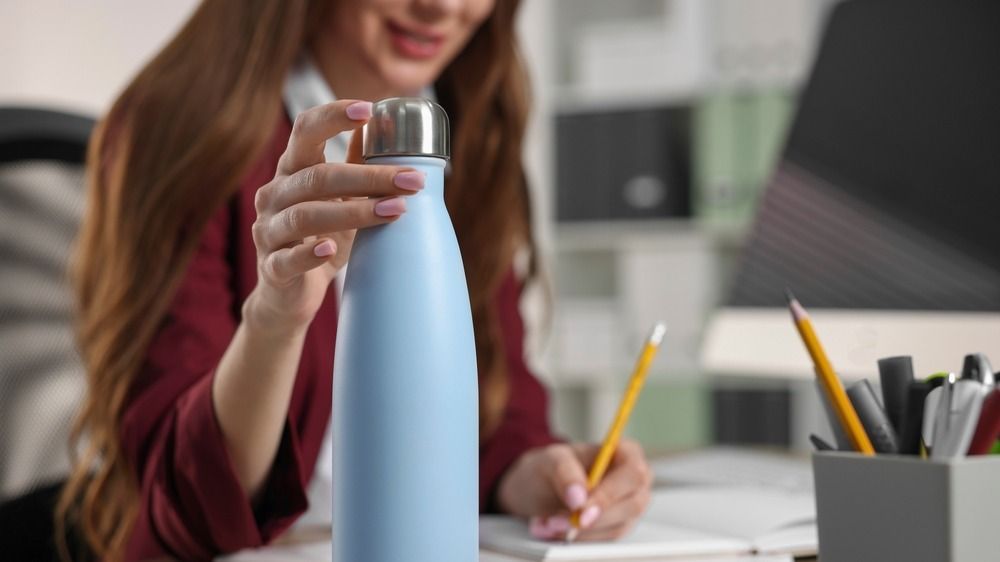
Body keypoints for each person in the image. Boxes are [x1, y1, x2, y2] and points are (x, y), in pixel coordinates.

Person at [58, 0, 653, 560]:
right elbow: (183, 493)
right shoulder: (190, 133)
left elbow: (498, 400)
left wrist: (535, 475)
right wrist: (275, 319)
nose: (444, 7)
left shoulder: (463, 129)